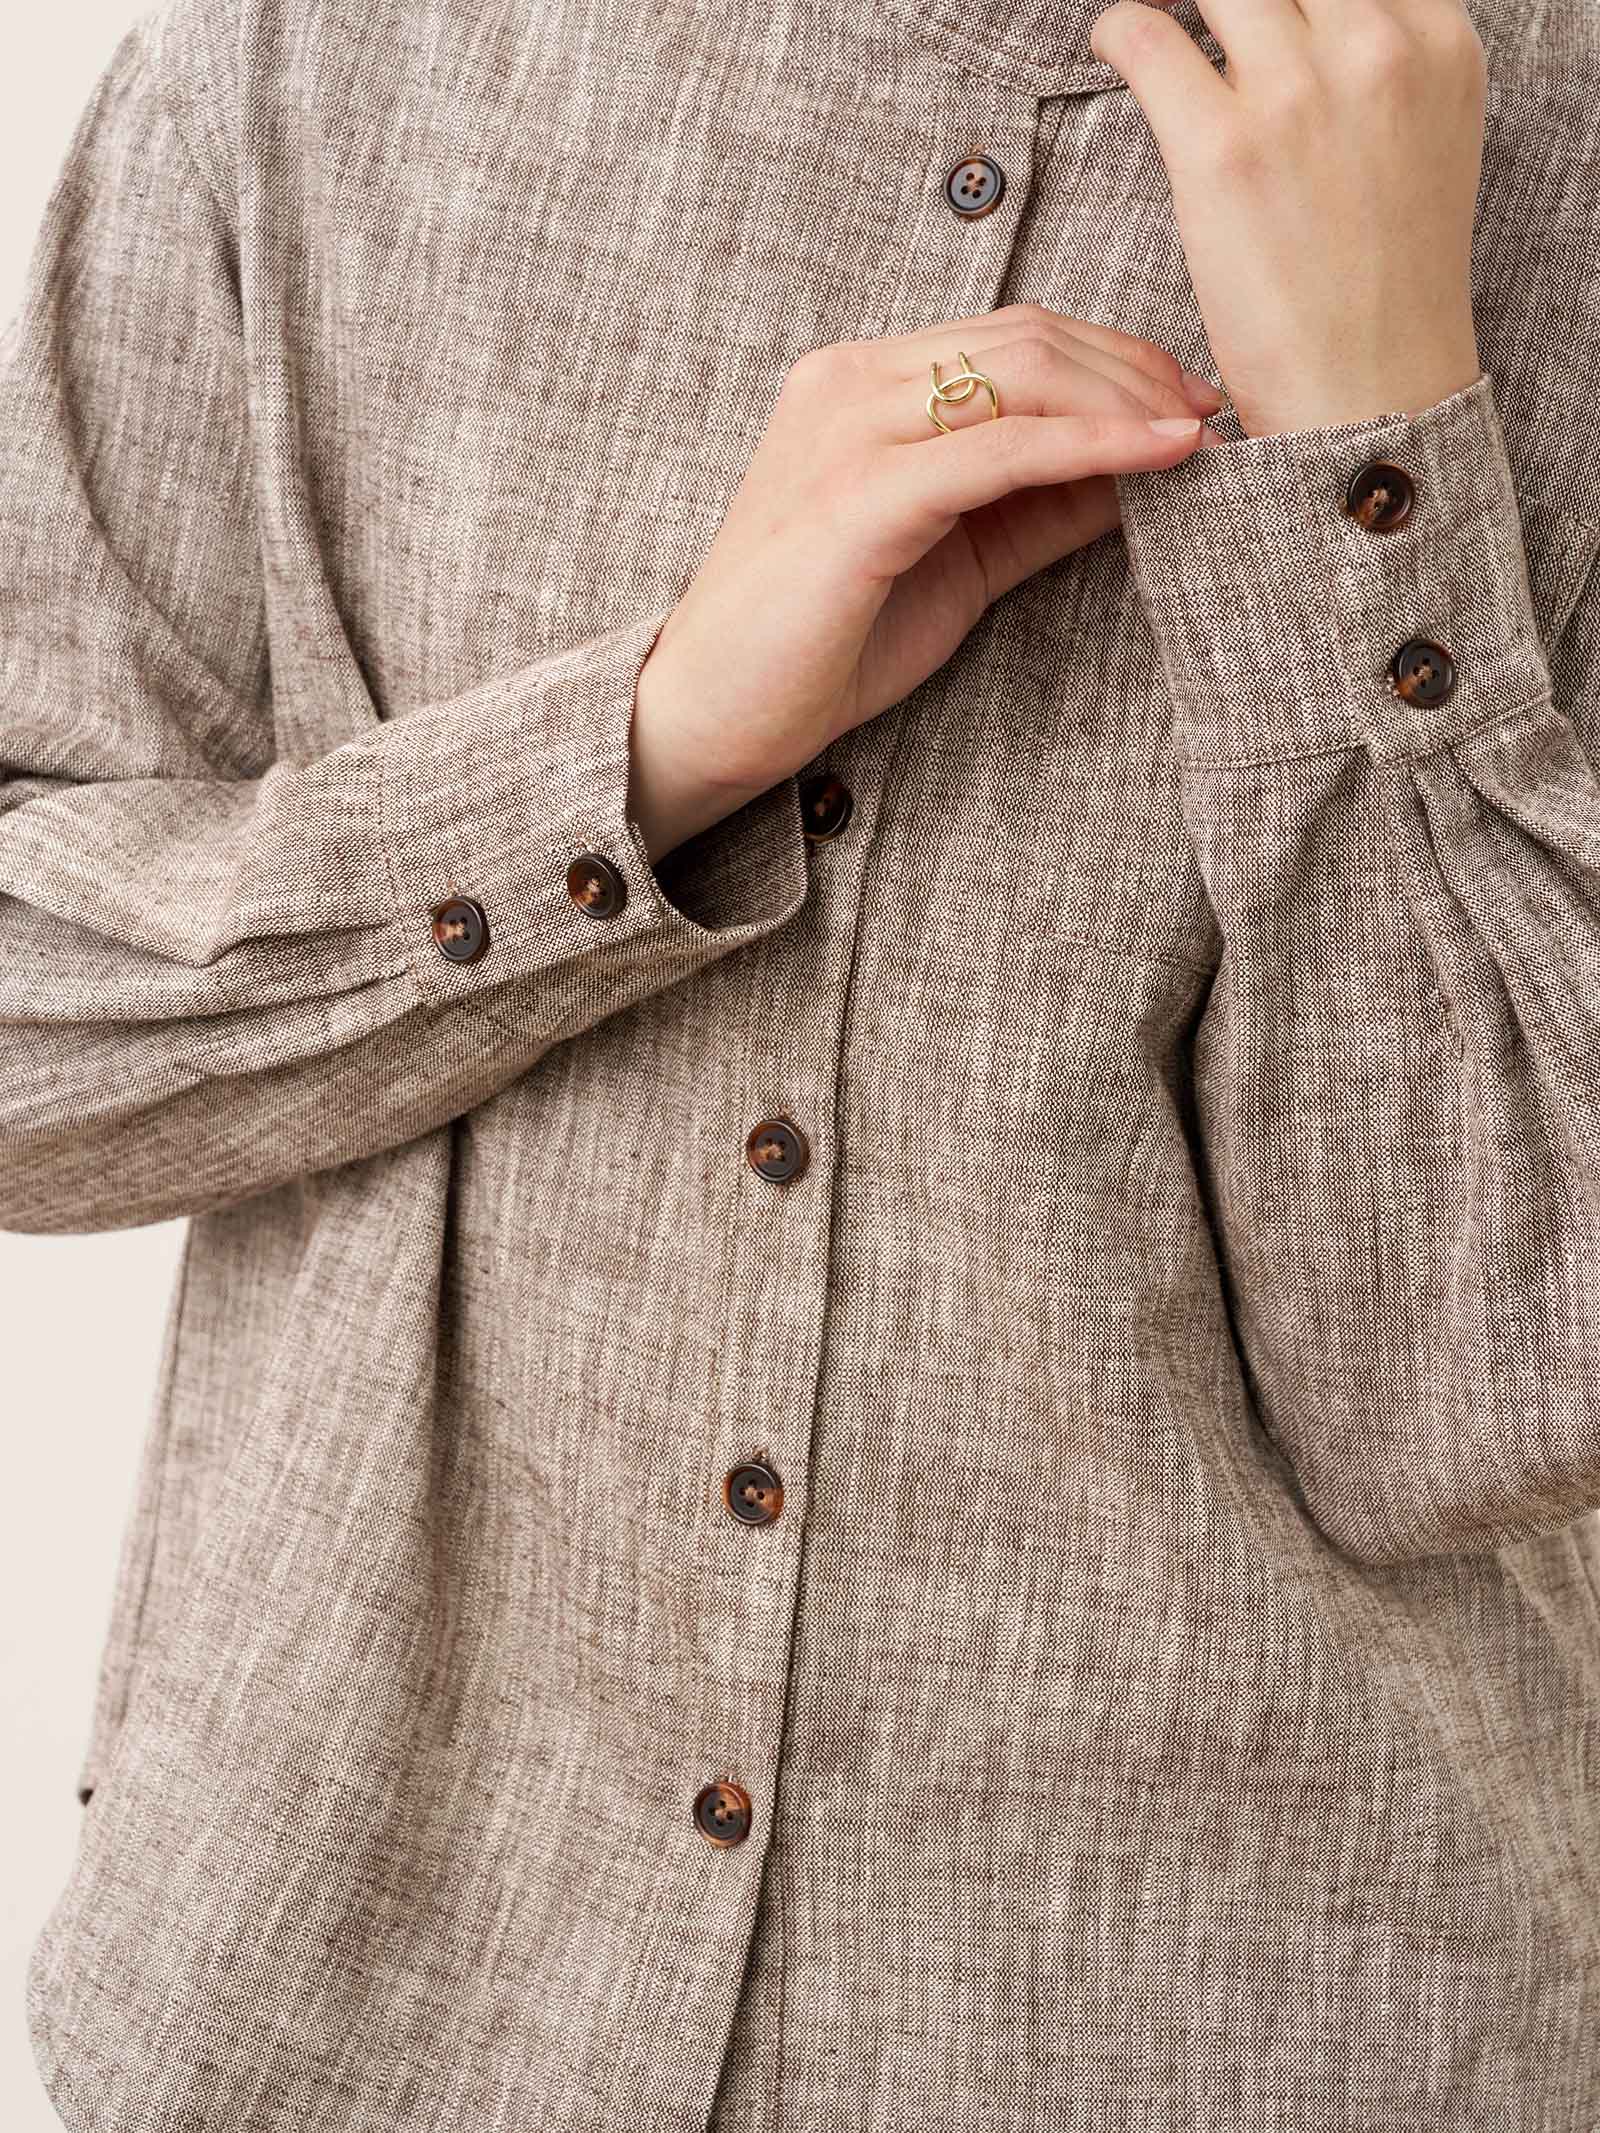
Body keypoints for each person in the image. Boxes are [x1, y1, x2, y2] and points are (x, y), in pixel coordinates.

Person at [7, 0, 1598, 2125]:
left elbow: (1478, 1384)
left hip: (1236, 2026)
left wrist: (1373, 471)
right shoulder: (317, 67)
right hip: (344, 2007)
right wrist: (638, 760)